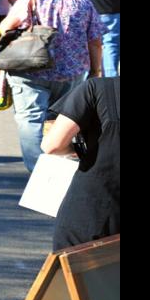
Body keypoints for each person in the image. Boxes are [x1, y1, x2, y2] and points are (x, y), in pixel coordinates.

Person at [0, 0, 103, 171]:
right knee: (61, 120)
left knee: (30, 119)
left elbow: (5, 27)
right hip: (70, 73)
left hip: (30, 68)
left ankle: (37, 170)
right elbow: (96, 41)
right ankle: (61, 165)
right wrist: (95, 70)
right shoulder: (83, 4)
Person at [40, 76, 119, 251]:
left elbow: (52, 145)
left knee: (75, 274)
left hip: (92, 210)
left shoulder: (98, 88)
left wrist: (76, 149)